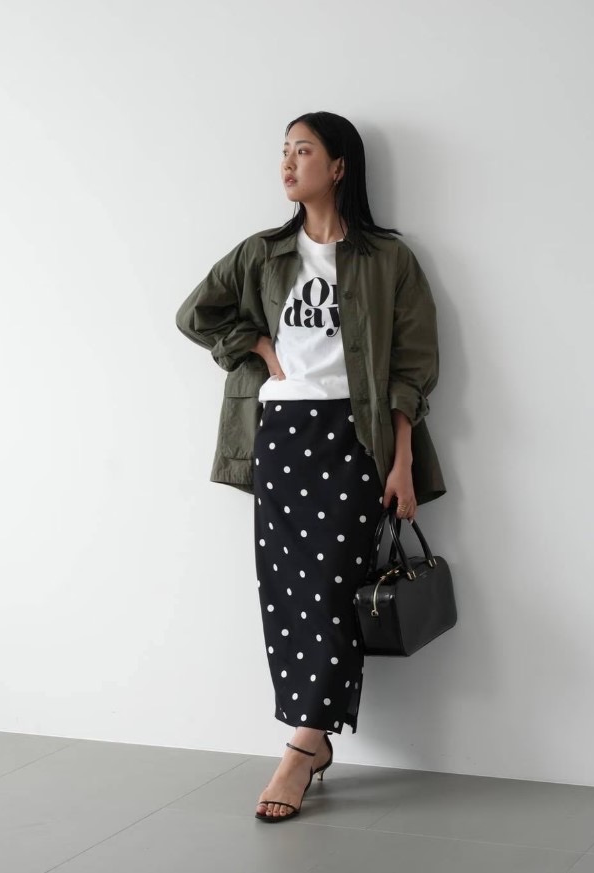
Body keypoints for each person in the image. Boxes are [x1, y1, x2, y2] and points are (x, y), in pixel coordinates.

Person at [175, 111, 445, 823]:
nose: (288, 164)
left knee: (329, 591)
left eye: (304, 151)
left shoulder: (388, 259)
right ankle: (310, 734)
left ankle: (304, 744)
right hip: (281, 435)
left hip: (354, 439)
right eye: (284, 152)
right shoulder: (262, 253)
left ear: (340, 166)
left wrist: (401, 461)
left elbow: (413, 366)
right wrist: (259, 347)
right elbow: (195, 314)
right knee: (285, 592)